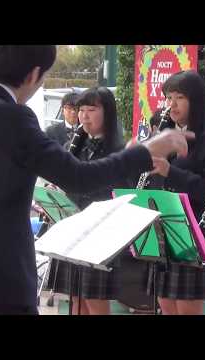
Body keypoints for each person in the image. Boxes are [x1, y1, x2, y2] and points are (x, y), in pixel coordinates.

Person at [0, 45, 193, 315]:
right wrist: (145, 152)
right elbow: (79, 177)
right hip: (0, 276)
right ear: (33, 74)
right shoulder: (16, 117)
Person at [143, 70, 205, 315]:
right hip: (164, 230)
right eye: (169, 98)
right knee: (166, 307)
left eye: (179, 97)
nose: (171, 105)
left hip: (194, 233)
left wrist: (170, 171)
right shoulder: (164, 136)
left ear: (196, 100)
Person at [49, 87, 127, 315]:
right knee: (75, 299)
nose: (84, 115)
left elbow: (119, 192)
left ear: (108, 113)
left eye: (91, 109)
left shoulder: (118, 150)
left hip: (101, 235)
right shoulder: (72, 146)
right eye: (81, 109)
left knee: (95, 300)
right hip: (73, 231)